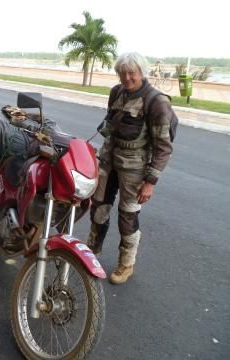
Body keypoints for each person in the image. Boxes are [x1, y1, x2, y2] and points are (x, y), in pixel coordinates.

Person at [87, 52, 174, 284]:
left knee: (127, 216)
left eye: (131, 73)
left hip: (135, 168)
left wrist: (150, 182)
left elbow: (163, 147)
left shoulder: (156, 102)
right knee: (99, 209)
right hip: (109, 161)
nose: (126, 77)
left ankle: (126, 264)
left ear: (141, 72)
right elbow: (109, 122)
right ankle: (91, 253)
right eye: (122, 73)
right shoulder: (117, 92)